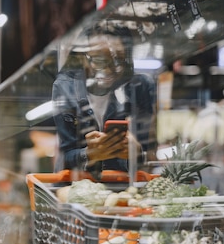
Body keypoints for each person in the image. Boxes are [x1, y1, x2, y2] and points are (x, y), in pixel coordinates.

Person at [51, 28, 156, 176]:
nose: (108, 69)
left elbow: (151, 154)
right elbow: (65, 156)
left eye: (118, 60)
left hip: (123, 186)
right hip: (78, 186)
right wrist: (89, 154)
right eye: (99, 60)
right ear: (84, 58)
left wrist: (137, 152)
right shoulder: (65, 87)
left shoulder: (140, 87)